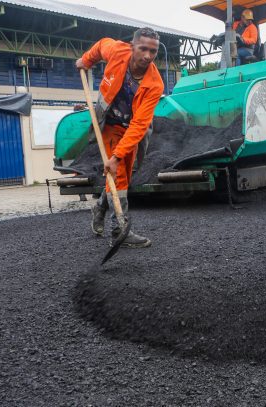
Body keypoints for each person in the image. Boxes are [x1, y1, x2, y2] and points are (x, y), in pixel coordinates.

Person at [76, 27, 164, 248]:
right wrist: (85, 61)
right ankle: (119, 230)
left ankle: (100, 207)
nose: (147, 56)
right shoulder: (116, 51)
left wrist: (116, 157)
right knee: (120, 176)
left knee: (124, 171)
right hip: (110, 124)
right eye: (143, 48)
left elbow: (139, 125)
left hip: (132, 129)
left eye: (152, 51)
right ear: (132, 46)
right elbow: (100, 44)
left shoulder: (155, 84)